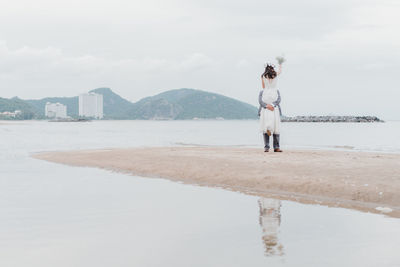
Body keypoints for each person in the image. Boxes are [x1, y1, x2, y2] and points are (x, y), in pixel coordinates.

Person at [258, 63, 282, 152]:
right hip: (273, 99)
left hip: (266, 99)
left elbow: (263, 87)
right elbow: (279, 100)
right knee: (276, 126)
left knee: (266, 124)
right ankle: (276, 147)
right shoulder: (275, 75)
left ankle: (266, 147)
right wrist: (280, 65)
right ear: (272, 69)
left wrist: (266, 105)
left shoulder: (263, 76)